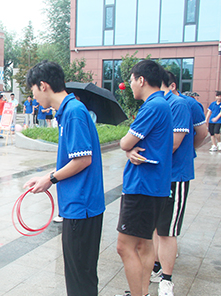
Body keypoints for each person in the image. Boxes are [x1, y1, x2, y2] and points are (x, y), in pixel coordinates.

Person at [23, 60, 105, 296]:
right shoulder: (68, 111)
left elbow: (83, 160)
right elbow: (73, 157)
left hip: (82, 206)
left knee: (80, 277)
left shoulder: (73, 112)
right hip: (77, 205)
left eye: (33, 90)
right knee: (80, 273)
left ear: (43, 85)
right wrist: (47, 175)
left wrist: (50, 178)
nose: (34, 96)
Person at [116, 60, 172, 296]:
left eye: (131, 80)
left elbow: (125, 142)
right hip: (155, 186)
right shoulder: (163, 104)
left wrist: (127, 148)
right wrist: (130, 151)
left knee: (124, 246)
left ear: (142, 80)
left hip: (142, 186)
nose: (130, 85)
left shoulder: (152, 107)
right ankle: (143, 292)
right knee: (145, 244)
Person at [150, 70, 194, 296]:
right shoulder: (160, 103)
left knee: (168, 230)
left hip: (175, 176)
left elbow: (174, 144)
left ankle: (166, 279)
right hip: (160, 175)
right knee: (158, 226)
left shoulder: (177, 104)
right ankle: (156, 266)